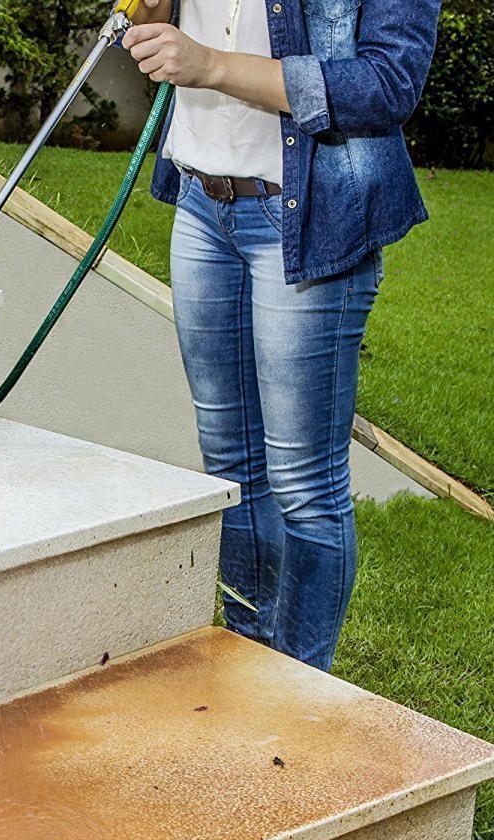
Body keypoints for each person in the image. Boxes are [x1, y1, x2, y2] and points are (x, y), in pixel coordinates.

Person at [121, 0, 440, 670]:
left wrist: (211, 66)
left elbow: (387, 84)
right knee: (229, 466)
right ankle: (247, 661)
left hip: (309, 216)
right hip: (203, 206)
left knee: (304, 485)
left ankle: (300, 692)